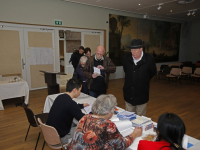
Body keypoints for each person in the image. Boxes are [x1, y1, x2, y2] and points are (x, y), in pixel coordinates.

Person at [68, 94, 143, 150]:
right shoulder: (108, 125)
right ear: (109, 111)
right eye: (113, 108)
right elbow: (122, 145)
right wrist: (135, 134)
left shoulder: (84, 117)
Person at [46, 78, 89, 145]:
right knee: (86, 129)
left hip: (49, 133)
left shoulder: (60, 97)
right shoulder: (71, 104)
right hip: (61, 138)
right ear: (74, 90)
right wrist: (93, 113)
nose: (80, 93)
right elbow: (84, 118)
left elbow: (70, 107)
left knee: (75, 123)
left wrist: (82, 105)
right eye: (80, 90)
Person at [123, 39, 156, 116]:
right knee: (128, 117)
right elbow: (126, 71)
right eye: (131, 50)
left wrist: (142, 80)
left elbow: (152, 72)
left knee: (140, 120)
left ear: (141, 49)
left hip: (142, 94)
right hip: (129, 93)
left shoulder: (149, 59)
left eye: (135, 50)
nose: (132, 52)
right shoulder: (126, 58)